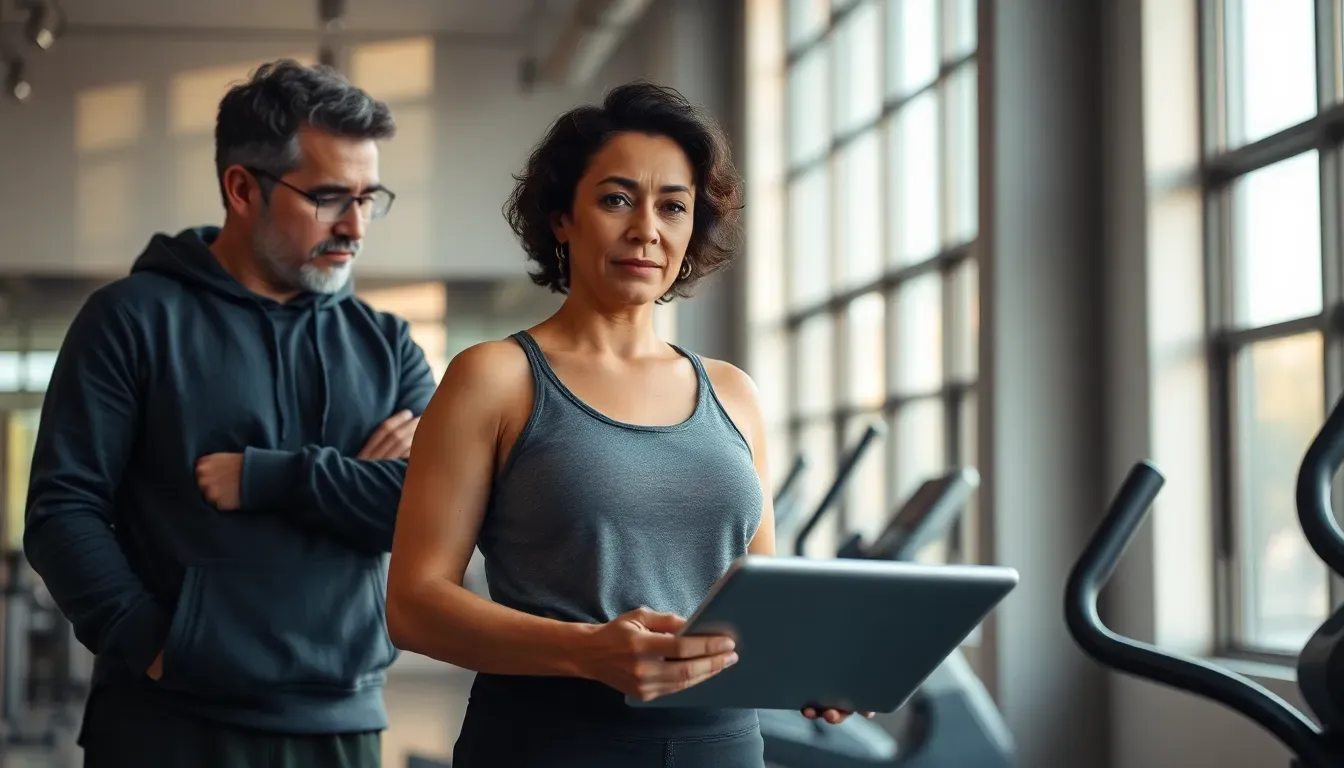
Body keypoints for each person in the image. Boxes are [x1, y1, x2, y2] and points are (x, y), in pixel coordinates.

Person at [385, 81, 864, 767]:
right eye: (616, 199)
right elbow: (414, 605)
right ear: (562, 218)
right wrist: (587, 652)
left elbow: (757, 598)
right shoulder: (493, 378)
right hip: (549, 744)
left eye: (673, 206)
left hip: (722, 746)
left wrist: (817, 664)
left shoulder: (733, 392)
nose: (647, 229)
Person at [22, 59, 437, 768]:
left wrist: (289, 479)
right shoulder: (131, 320)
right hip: (167, 720)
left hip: (343, 721)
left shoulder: (388, 343)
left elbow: (432, 510)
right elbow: (63, 510)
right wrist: (151, 642)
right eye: (331, 197)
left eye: (371, 197)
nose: (357, 226)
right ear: (242, 187)